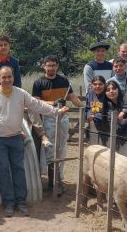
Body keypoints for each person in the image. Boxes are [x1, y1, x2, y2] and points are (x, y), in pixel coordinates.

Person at [0, 66, 69, 217]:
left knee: (19, 169)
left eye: (9, 76)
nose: (7, 79)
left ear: (13, 77)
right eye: (4, 77)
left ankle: (21, 202)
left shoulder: (20, 93)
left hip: (16, 138)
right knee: (2, 171)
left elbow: (38, 105)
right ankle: (9, 203)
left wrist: (56, 111)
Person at [31, 56, 84, 194]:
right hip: (48, 119)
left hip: (63, 119)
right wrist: (53, 103)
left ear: (57, 66)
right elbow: (36, 102)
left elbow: (72, 97)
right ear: (44, 66)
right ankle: (51, 181)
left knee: (62, 148)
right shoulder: (38, 83)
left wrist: (84, 108)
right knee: (50, 149)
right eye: (49, 65)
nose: (51, 68)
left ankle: (59, 179)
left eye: (53, 65)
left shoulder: (64, 81)